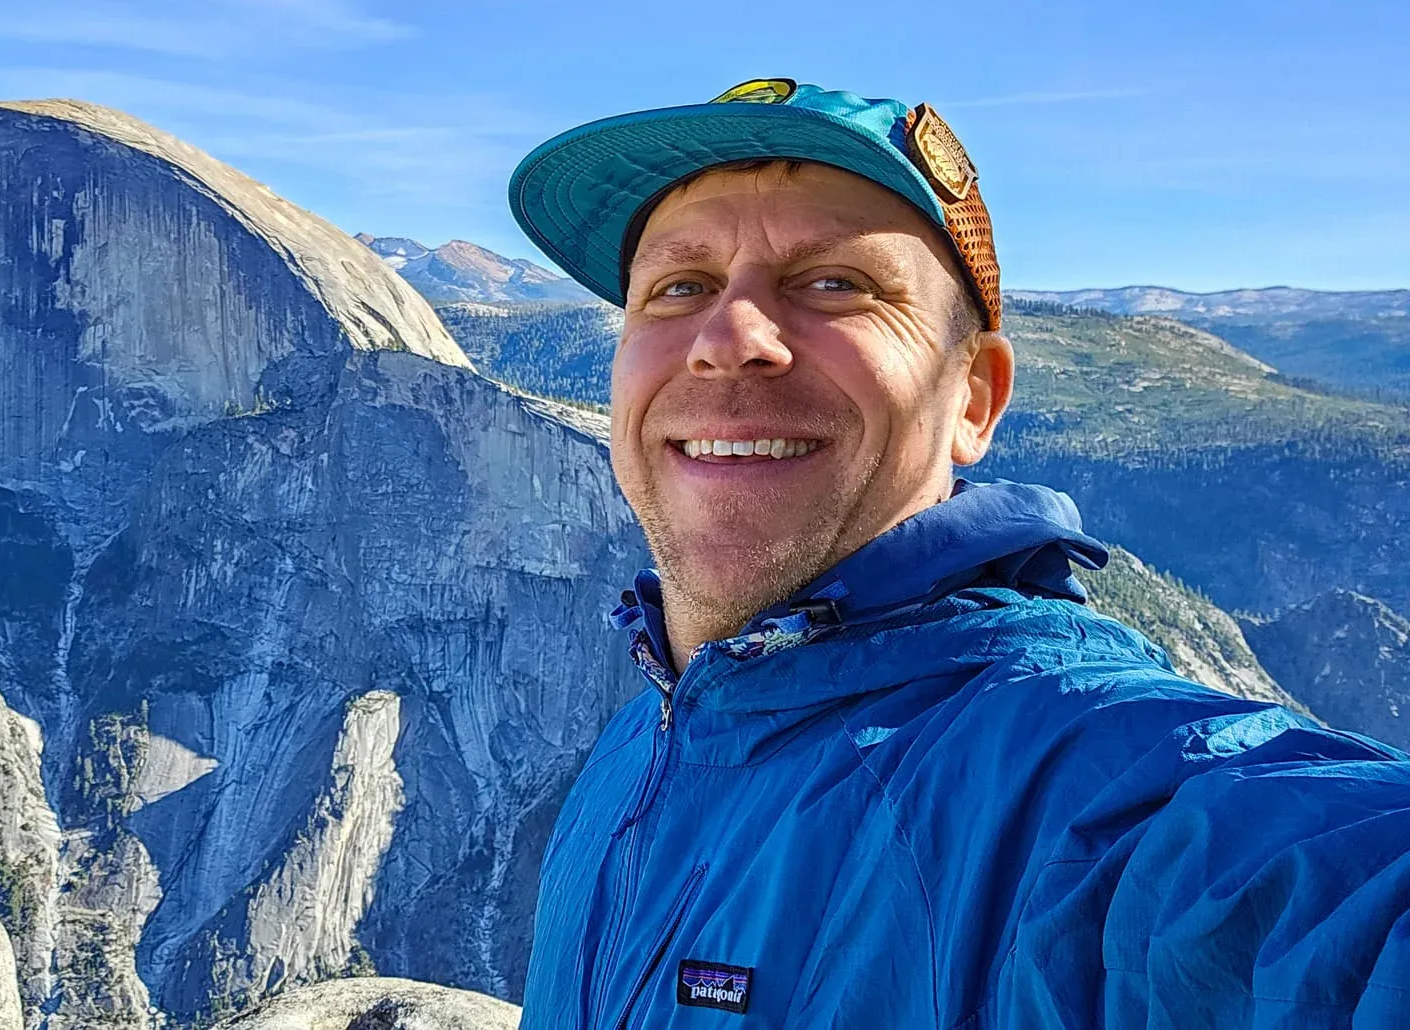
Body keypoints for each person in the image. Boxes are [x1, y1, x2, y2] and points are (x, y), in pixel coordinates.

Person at [506, 79, 1410, 1028]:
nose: (729, 338)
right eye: (678, 287)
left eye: (834, 284)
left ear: (974, 398)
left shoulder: (1064, 789)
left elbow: (1316, 899)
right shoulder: (645, 736)